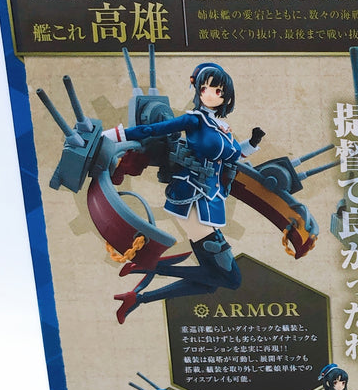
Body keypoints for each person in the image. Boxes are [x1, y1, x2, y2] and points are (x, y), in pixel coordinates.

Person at [103, 62, 265, 322]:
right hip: (191, 197)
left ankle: (138, 298)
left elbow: (233, 156)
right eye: (206, 88)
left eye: (219, 91)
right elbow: (150, 130)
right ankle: (149, 266)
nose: (212, 94)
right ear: (198, 90)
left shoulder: (221, 127)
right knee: (231, 279)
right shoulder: (194, 120)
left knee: (210, 283)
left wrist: (253, 143)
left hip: (212, 200)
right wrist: (113, 135)